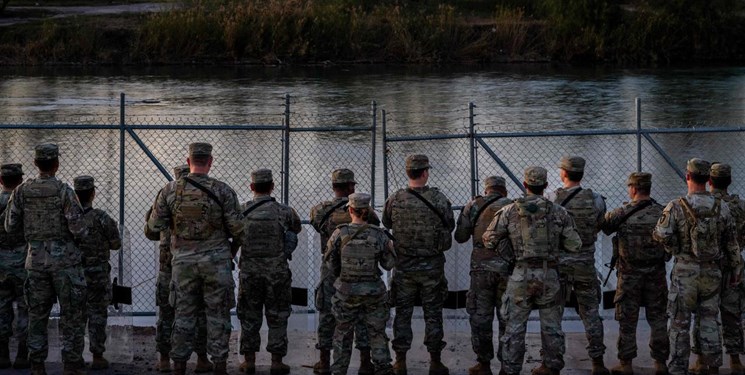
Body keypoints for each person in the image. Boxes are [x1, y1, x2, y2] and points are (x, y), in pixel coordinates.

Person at [147, 142, 244, 375]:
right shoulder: (224, 191)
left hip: (183, 265)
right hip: (217, 264)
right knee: (218, 315)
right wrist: (229, 251)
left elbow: (152, 229)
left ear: (188, 161)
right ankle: (219, 365)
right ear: (210, 162)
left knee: (183, 315)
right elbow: (240, 230)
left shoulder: (169, 191)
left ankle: (178, 366)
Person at [483, 166, 581, 375]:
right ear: (545, 186)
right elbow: (575, 244)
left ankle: (510, 369)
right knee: (552, 328)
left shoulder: (509, 211)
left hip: (520, 275)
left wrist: (510, 251)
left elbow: (489, 240)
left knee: (515, 328)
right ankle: (551, 367)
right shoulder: (559, 212)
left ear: (525, 184)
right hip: (549, 276)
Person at [4, 143, 88, 375]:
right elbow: (79, 229)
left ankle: (37, 364)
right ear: (57, 164)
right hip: (65, 264)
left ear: (35, 164)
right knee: (71, 315)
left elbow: (10, 227)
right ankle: (71, 364)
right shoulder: (64, 191)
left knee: (37, 314)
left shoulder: (21, 191)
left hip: (35, 262)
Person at [654, 158, 742, 375]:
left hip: (685, 271)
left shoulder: (676, 206)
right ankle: (712, 366)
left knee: (679, 323)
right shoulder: (721, 208)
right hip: (712, 272)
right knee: (710, 320)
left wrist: (675, 248)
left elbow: (661, 234)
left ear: (688, 177)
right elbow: (731, 243)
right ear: (707, 179)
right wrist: (735, 270)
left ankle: (678, 368)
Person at [383, 154, 455, 375]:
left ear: (408, 173)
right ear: (425, 173)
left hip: (404, 266)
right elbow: (450, 224)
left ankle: (400, 361)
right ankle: (435, 361)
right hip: (432, 267)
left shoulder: (395, 199)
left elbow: (386, 222)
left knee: (402, 313)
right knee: (433, 313)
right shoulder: (439, 198)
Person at [310, 168, 379, 375]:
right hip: (359, 268)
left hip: (331, 267)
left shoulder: (319, 210)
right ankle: (365, 362)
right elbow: (374, 225)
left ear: (333, 187)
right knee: (361, 314)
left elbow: (316, 225)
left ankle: (324, 361)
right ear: (351, 187)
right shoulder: (366, 211)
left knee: (327, 313)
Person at [144, 165, 213, 373]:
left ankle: (165, 359)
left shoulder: (165, 198)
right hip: (196, 265)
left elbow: (150, 231)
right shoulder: (207, 199)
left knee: (166, 314)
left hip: (169, 267)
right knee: (200, 313)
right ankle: (202, 358)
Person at [600, 172, 668, 375]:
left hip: (629, 276)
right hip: (656, 275)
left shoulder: (621, 213)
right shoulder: (663, 212)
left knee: (627, 320)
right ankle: (660, 364)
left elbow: (603, 226)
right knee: (658, 319)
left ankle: (626, 364)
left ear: (633, 189)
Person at [237, 169, 302, 375]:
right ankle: (276, 361)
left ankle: (249, 361)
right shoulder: (284, 211)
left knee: (249, 316)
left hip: (250, 272)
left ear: (252, 187)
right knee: (278, 315)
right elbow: (296, 229)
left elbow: (233, 233)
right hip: (277, 273)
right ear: (272, 186)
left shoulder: (242, 211)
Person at [325, 192, 396, 375]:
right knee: (377, 332)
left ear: (350, 210)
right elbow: (388, 264)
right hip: (373, 292)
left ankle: (339, 369)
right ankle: (382, 368)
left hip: (346, 292)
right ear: (368, 210)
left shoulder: (339, 234)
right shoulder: (378, 235)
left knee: (342, 334)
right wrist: (390, 249)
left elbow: (331, 266)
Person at [551, 156, 608, 375]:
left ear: (563, 174)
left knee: (553, 314)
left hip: (560, 264)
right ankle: (598, 363)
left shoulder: (552, 197)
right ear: (581, 174)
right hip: (585, 263)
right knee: (591, 313)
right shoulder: (595, 199)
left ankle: (552, 363)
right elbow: (601, 224)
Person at [454, 176, 513, 375]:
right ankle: (507, 365)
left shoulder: (474, 205)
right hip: (508, 270)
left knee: (480, 317)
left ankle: (483, 364)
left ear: (487, 190)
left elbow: (460, 237)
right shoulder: (513, 206)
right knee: (507, 318)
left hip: (481, 270)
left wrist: (466, 212)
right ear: (503, 191)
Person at [690, 162, 745, 375]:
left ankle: (702, 360)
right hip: (733, 265)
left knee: (704, 313)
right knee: (732, 313)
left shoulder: (705, 204)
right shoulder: (739, 206)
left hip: (707, 265)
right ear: (729, 181)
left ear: (709, 181)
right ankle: (735, 360)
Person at [73, 175, 122, 370]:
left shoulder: (68, 218)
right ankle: (98, 355)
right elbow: (116, 243)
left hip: (74, 273)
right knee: (98, 313)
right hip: (98, 274)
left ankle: (74, 355)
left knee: (75, 314)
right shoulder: (102, 217)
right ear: (93, 194)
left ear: (75, 195)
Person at [0, 163, 28, 370]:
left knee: (2, 308)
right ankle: (22, 353)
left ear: (1, 181)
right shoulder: (25, 203)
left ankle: (2, 353)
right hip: (23, 262)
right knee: (25, 307)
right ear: (20, 181)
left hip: (0, 263)